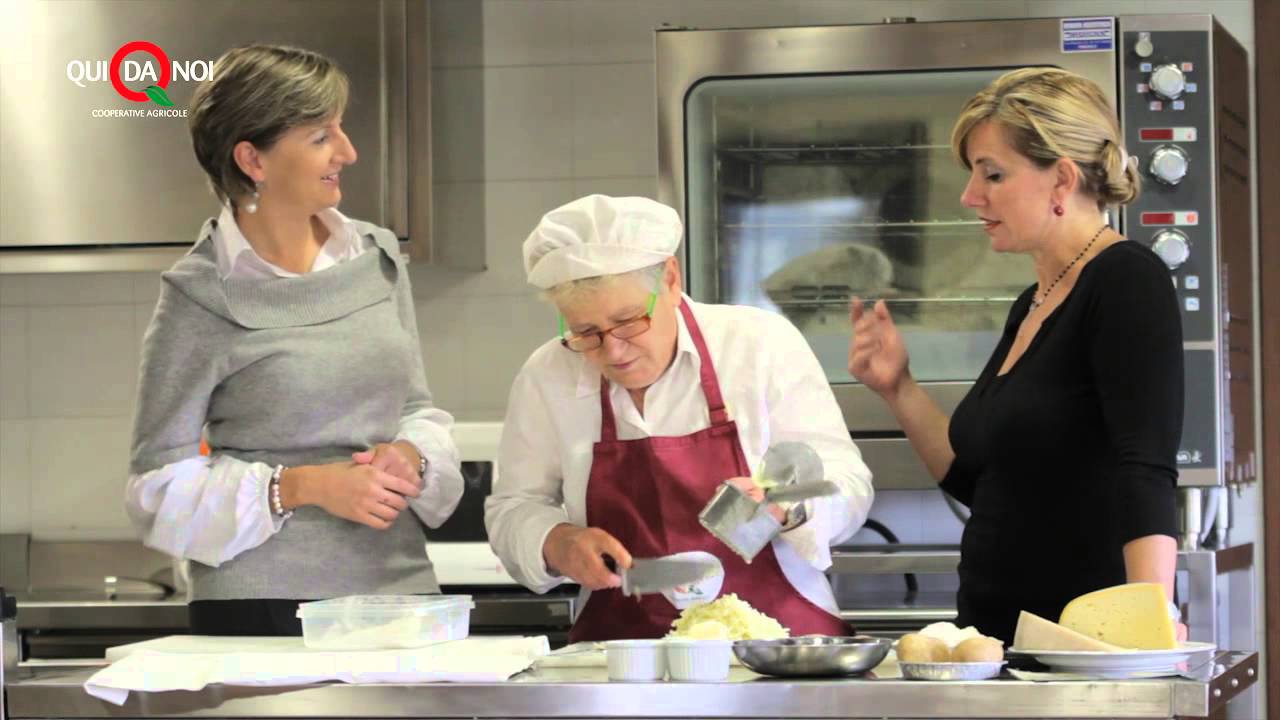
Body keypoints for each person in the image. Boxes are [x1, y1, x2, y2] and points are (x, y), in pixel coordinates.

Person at [125, 44, 464, 636]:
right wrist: (301, 487)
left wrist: (410, 454)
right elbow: (155, 488)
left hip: (397, 595)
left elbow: (412, 407)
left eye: (341, 127)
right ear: (252, 158)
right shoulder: (199, 296)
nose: (348, 152)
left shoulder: (377, 257)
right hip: (259, 608)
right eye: (319, 136)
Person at [848, 68, 1183, 643]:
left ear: (1062, 180)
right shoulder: (1035, 301)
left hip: (1081, 651)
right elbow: (984, 485)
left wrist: (1148, 625)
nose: (970, 196)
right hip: (995, 645)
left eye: (993, 175)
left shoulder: (1127, 280)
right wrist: (899, 387)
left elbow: (1146, 468)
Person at [484, 194, 874, 642]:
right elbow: (513, 507)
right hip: (623, 655)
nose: (613, 350)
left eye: (629, 321)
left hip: (776, 644)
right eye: (586, 332)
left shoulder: (759, 345)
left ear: (670, 279)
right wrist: (557, 541)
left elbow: (847, 482)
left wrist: (791, 506)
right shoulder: (547, 374)